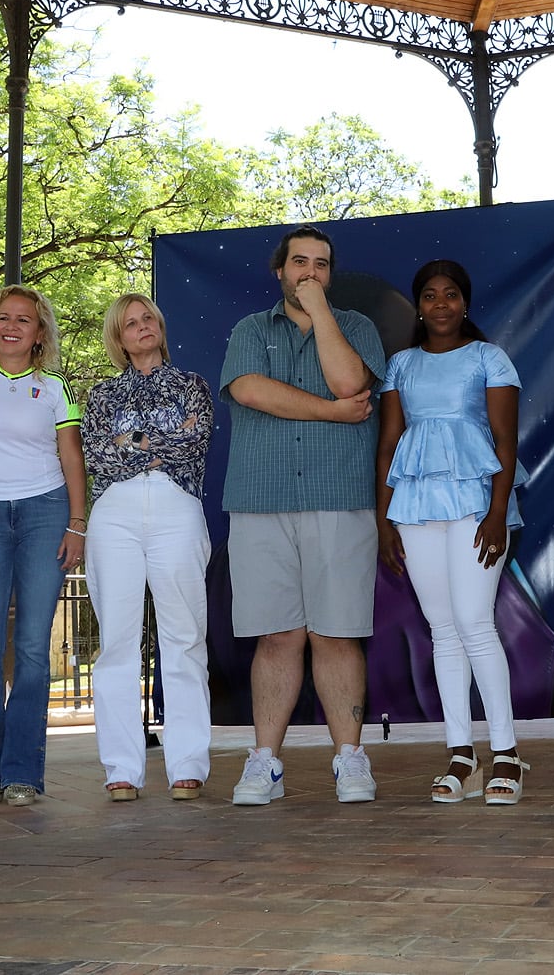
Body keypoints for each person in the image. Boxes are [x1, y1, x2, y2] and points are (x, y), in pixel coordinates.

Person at [220, 224, 386, 805]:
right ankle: (264, 763)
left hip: (338, 498)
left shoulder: (357, 328)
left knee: (336, 633)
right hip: (260, 500)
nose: (309, 272)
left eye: (321, 264)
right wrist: (334, 415)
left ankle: (350, 760)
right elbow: (250, 391)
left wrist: (320, 312)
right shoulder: (248, 330)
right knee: (277, 636)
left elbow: (350, 381)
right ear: (279, 270)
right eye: (300, 263)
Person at [375, 260, 530, 804]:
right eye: (430, 296)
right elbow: (390, 443)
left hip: (475, 504)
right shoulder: (400, 365)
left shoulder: (489, 358)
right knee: (442, 628)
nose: (441, 304)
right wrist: (383, 521)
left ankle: (506, 754)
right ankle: (461, 754)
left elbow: (505, 442)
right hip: (414, 507)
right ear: (419, 305)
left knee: (473, 622)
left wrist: (496, 512)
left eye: (451, 295)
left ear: (464, 303)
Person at [0, 285, 87, 807]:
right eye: (4, 317)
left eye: (23, 320)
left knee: (31, 647)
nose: (12, 326)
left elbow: (72, 457)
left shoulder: (55, 388)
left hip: (46, 514)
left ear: (39, 332)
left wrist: (77, 524)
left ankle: (23, 768)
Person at [81, 293, 215, 801]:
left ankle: (188, 763)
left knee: (182, 636)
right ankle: (121, 768)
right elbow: (96, 457)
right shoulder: (101, 395)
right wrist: (156, 443)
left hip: (176, 507)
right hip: (113, 513)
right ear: (119, 338)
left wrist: (128, 443)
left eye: (148, 319)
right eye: (131, 323)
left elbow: (194, 443)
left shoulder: (192, 387)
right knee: (116, 640)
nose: (142, 327)